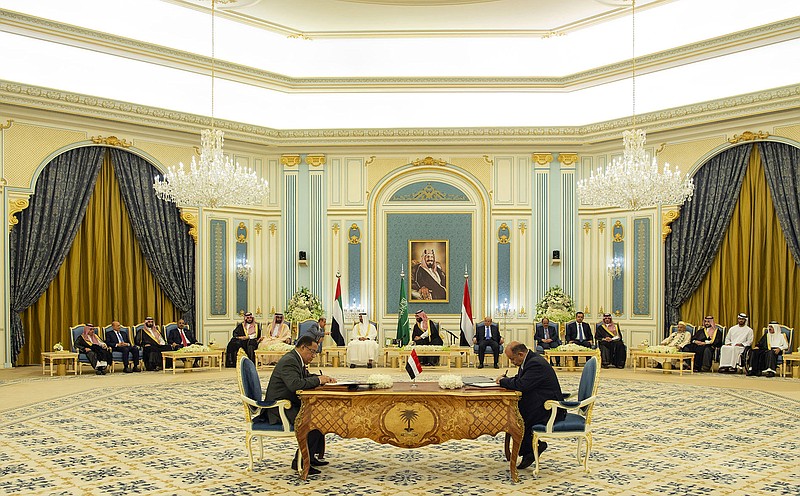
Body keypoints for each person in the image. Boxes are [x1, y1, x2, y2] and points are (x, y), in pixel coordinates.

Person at [255, 335, 337, 475]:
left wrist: (322, 379)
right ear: (303, 347)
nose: (313, 356)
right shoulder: (290, 361)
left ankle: (310, 457)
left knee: (321, 415)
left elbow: (303, 377)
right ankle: (300, 461)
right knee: (312, 420)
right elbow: (295, 385)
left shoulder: (295, 359)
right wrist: (318, 380)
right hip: (278, 408)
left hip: (289, 404)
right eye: (312, 352)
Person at [496, 341, 565, 470]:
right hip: (540, 401)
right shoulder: (529, 360)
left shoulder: (535, 363)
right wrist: (506, 380)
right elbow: (520, 380)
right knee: (515, 411)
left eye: (512, 359)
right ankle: (531, 449)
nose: (512, 362)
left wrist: (503, 381)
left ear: (521, 354)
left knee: (518, 416)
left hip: (550, 409)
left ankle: (533, 449)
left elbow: (521, 385)